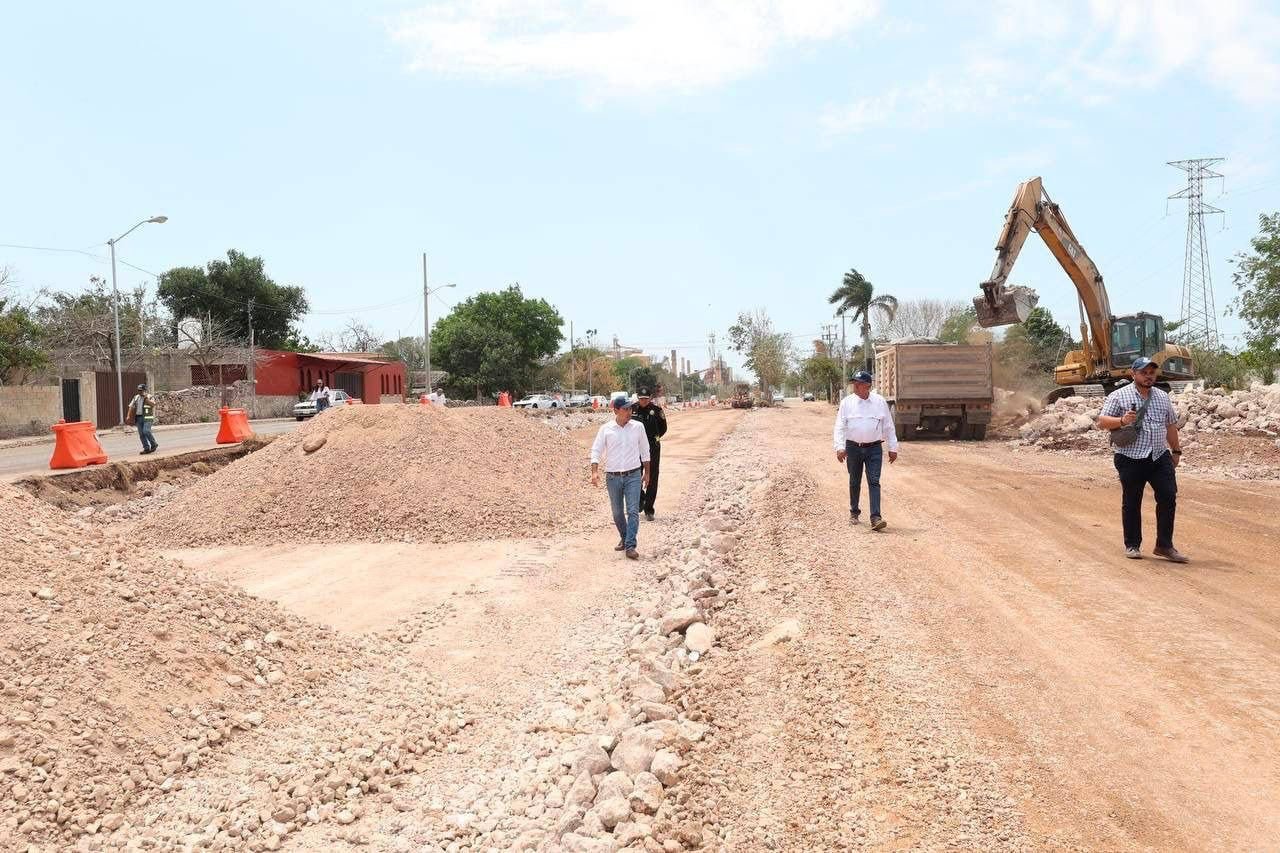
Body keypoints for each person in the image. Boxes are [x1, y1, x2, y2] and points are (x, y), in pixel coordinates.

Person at [1096, 357, 1188, 562]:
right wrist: (1121, 420)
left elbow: (1170, 426)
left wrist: (1176, 451)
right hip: (1130, 456)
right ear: (1133, 374)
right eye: (1144, 373)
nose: (1148, 376)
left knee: (1168, 496)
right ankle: (1132, 545)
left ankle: (1164, 546)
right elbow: (1102, 422)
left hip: (1159, 455)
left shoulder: (1163, 397)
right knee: (1132, 500)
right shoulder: (1118, 395)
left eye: (1151, 373)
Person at [832, 370, 899, 530]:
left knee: (874, 481)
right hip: (853, 447)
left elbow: (889, 426)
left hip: (874, 448)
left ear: (868, 385)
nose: (855, 385)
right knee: (854, 481)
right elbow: (840, 427)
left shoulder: (880, 402)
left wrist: (893, 447)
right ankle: (854, 512)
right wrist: (840, 447)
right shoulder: (847, 403)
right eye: (854, 382)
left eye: (859, 383)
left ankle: (876, 517)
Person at [589, 397, 651, 559]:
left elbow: (645, 451)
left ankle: (630, 545)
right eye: (625, 409)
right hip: (613, 477)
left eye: (630, 409)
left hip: (633, 475)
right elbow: (596, 450)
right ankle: (624, 537)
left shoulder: (638, 427)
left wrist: (647, 473)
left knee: (633, 511)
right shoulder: (606, 429)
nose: (629, 412)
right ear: (616, 410)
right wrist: (594, 471)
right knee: (617, 513)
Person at [630, 386, 667, 521]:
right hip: (635, 447)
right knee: (634, 474)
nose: (643, 401)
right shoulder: (632, 409)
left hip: (652, 447)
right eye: (641, 399)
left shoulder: (656, 410)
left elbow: (663, 428)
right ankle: (641, 499)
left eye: (646, 399)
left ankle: (649, 509)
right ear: (638, 398)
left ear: (650, 398)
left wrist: (652, 439)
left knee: (652, 476)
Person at [125, 383, 158, 455]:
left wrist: (146, 399)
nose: (139, 392)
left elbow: (153, 405)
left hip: (147, 418)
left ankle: (154, 444)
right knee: (141, 434)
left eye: (141, 390)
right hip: (138, 418)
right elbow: (131, 407)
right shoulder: (136, 397)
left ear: (144, 390)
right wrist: (128, 416)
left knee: (146, 431)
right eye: (138, 390)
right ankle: (146, 448)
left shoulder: (149, 396)